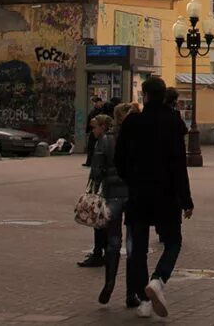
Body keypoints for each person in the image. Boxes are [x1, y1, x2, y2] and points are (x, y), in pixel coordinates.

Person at [115, 77, 193, 319]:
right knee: (173, 242)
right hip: (167, 194)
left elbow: (120, 160)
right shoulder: (173, 123)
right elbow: (180, 165)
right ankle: (158, 280)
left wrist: (132, 179)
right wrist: (186, 199)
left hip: (138, 194)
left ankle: (144, 299)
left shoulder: (132, 122)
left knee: (137, 248)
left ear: (145, 96)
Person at [89, 109, 136, 307]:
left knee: (113, 242)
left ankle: (109, 282)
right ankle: (131, 293)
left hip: (112, 194)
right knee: (134, 245)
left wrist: (94, 190)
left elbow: (96, 169)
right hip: (133, 195)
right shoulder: (136, 138)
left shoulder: (105, 140)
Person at [84, 96, 107, 167]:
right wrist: (88, 130)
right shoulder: (95, 110)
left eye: (95, 102)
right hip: (94, 130)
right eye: (94, 102)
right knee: (91, 146)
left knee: (95, 146)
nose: (95, 104)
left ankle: (91, 162)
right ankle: (89, 162)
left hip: (97, 130)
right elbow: (89, 120)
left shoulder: (99, 111)